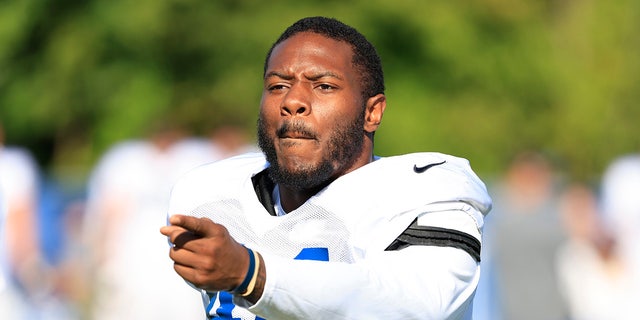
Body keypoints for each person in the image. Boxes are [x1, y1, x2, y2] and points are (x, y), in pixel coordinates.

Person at [160, 16, 492, 319]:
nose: (293, 101)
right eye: (278, 86)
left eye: (324, 86)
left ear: (372, 112)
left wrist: (254, 274)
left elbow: (418, 305)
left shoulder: (425, 191)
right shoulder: (210, 195)